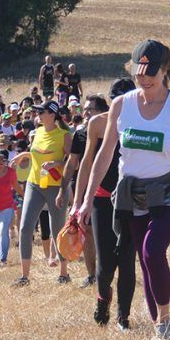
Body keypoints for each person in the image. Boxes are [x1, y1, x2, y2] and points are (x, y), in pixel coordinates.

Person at [80, 40, 170, 340]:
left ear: (166, 69)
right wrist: (86, 200)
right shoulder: (121, 105)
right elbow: (105, 154)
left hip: (168, 191)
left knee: (153, 251)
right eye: (139, 72)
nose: (145, 78)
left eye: (152, 72)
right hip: (132, 194)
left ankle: (164, 323)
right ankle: (159, 327)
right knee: (143, 256)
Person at [75, 77, 137, 330]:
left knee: (127, 260)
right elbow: (87, 163)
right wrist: (79, 202)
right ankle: (103, 300)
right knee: (106, 262)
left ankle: (123, 317)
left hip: (132, 199)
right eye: (116, 100)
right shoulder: (98, 124)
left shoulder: (141, 123)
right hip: (102, 198)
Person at [10, 100, 72, 286]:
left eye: (41, 112)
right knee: (25, 228)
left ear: (52, 115)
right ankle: (24, 277)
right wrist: (25, 155)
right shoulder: (36, 133)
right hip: (34, 184)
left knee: (57, 229)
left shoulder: (65, 135)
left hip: (56, 187)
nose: (37, 115)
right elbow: (38, 154)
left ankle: (63, 273)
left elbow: (71, 161)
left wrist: (57, 164)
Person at [56, 95, 109, 288]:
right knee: (87, 233)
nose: (85, 113)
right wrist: (63, 191)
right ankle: (92, 275)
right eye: (84, 110)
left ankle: (108, 271)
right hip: (86, 190)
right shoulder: (80, 134)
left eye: (90, 110)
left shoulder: (112, 132)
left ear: (103, 112)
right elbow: (71, 164)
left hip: (111, 190)